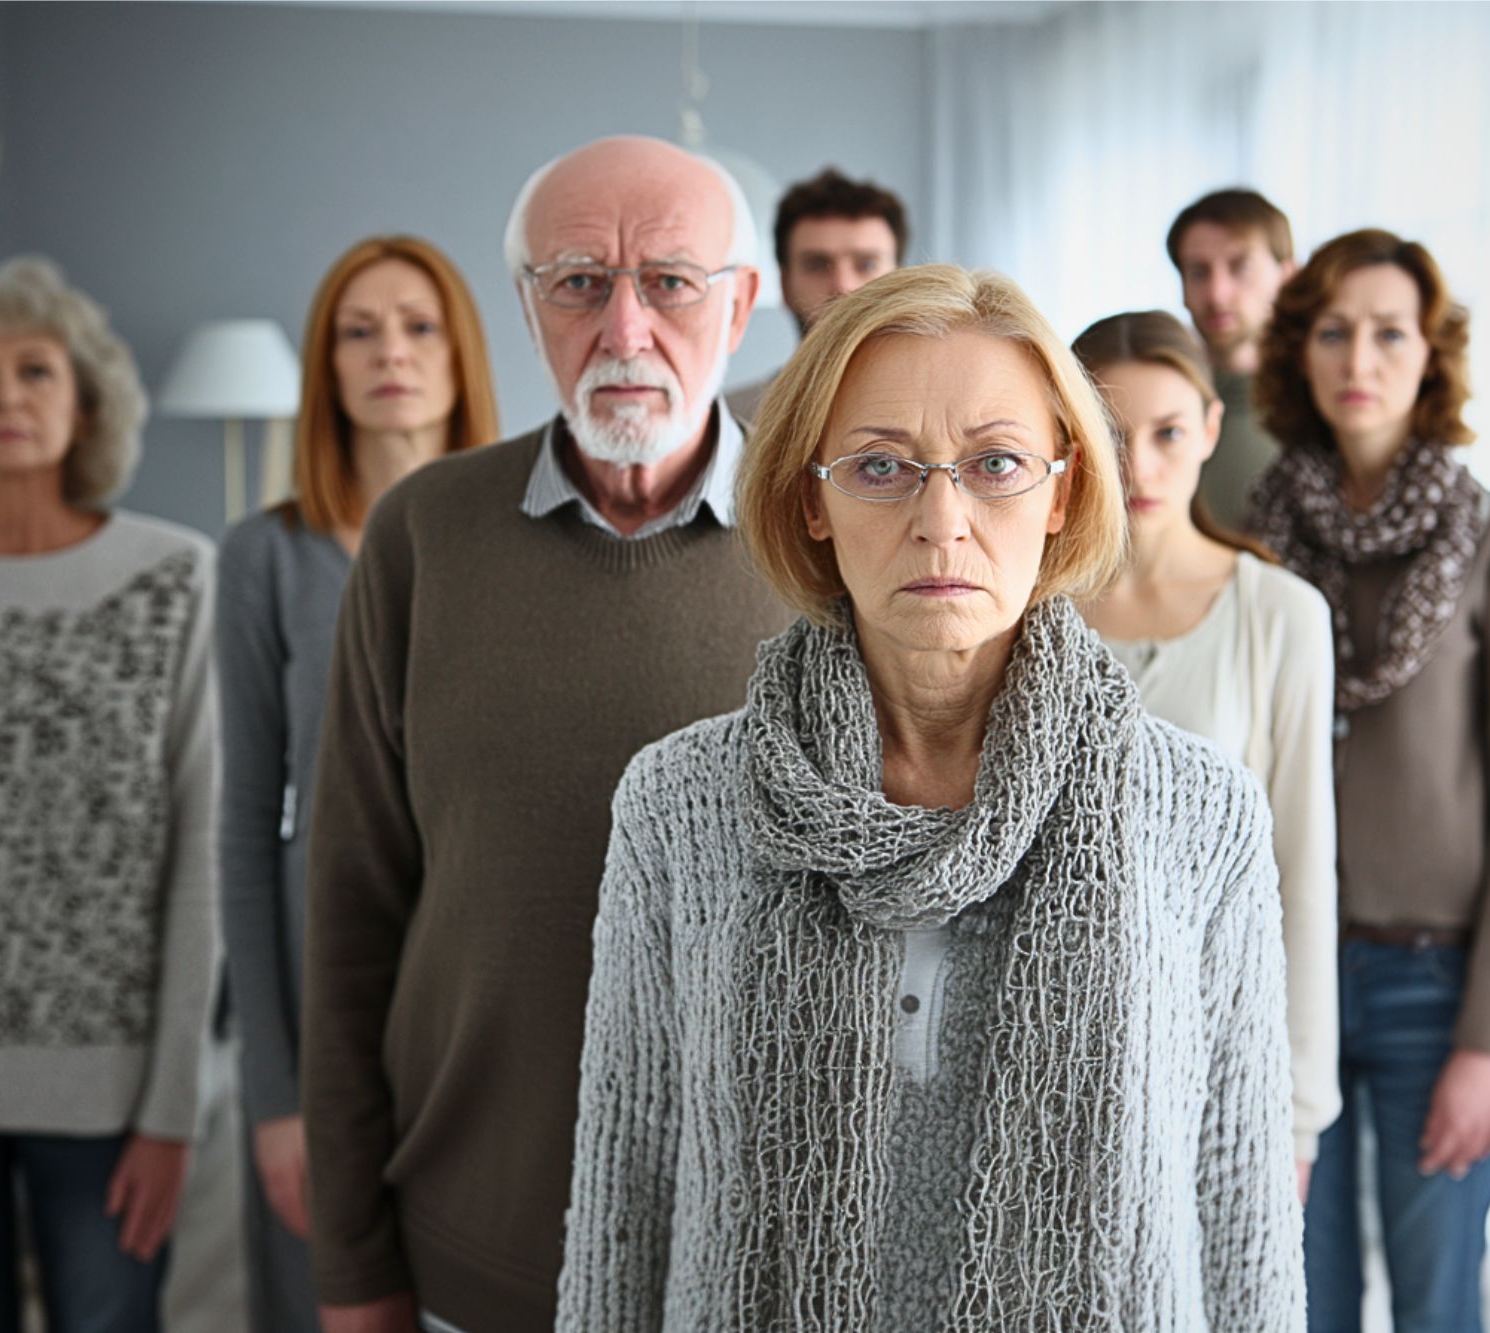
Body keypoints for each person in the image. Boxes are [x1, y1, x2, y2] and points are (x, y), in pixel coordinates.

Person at [554, 264, 1305, 1330]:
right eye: (879, 467)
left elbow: (1238, 1214)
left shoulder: (1198, 812)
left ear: (1062, 493)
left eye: (995, 463)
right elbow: (625, 1194)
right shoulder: (681, 802)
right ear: (809, 500)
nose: (941, 519)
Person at [301, 136, 795, 1333]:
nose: (624, 329)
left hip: (769, 1252)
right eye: (578, 281)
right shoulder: (421, 534)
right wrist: (352, 1261)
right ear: (526, 307)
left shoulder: (826, 537)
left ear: (740, 304)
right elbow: (351, 910)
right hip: (477, 1244)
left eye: (670, 281)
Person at [1246, 229, 1490, 1333]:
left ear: (1430, 355)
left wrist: (1489, 1034)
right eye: (1332, 331)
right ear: (1297, 353)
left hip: (1436, 986)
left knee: (1437, 1309)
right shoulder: (1256, 536)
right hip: (1280, 978)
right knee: (1293, 1298)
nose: (1358, 358)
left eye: (1389, 332)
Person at [0, 257, 219, 1330]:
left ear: (82, 401)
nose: (6, 398)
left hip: (112, 1103)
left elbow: (200, 861)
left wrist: (173, 1112)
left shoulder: (176, 577)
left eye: (35, 370)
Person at [216, 234, 500, 1333]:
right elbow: (244, 827)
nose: (391, 352)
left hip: (472, 982)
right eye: (359, 329)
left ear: (461, 354)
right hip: (316, 963)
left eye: (419, 325)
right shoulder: (267, 556)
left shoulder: (508, 548)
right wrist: (273, 1097)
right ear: (325, 366)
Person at [1072, 309, 1340, 1204]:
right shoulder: (1024, 611)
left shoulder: (1282, 614)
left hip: (1219, 1054)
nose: (1141, 466)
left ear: (1212, 429)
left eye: (1168, 433)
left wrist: (1297, 1112)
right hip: (1045, 1039)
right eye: (1111, 434)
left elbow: (1300, 873)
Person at [724, 166, 908, 422]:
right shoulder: (728, 424)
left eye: (866, 265)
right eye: (817, 264)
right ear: (784, 284)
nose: (843, 286)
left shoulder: (950, 415)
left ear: (902, 282)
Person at [1167, 187, 1297, 529]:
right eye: (1198, 272)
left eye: (1240, 267)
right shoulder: (1162, 404)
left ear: (1286, 277)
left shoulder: (1328, 402)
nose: (1216, 294)